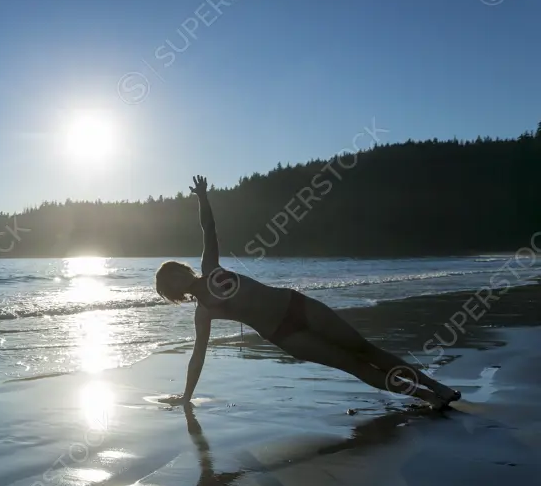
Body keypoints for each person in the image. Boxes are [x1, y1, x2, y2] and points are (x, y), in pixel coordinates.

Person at [154, 175, 461, 409]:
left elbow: (209, 228)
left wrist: (203, 198)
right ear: (175, 293)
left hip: (296, 304)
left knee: (364, 349)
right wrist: (186, 397)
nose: (178, 277)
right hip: (285, 335)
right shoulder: (204, 312)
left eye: (176, 270)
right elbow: (198, 356)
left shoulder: (211, 267)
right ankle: (426, 396)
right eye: (172, 281)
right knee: (353, 365)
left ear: (184, 268)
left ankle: (438, 387)